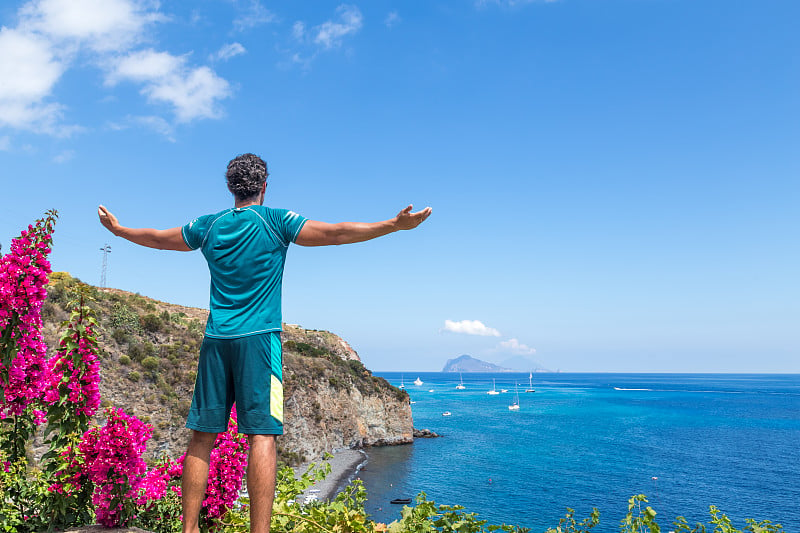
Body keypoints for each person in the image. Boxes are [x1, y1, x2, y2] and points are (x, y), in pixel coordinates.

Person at [97, 153, 432, 533]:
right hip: (260, 343)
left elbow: (159, 240)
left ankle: (188, 530)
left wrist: (120, 231)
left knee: (202, 438)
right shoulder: (276, 221)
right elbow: (336, 232)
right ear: (265, 186)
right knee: (263, 436)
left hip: (216, 340)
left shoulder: (207, 226)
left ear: (230, 187)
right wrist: (393, 225)